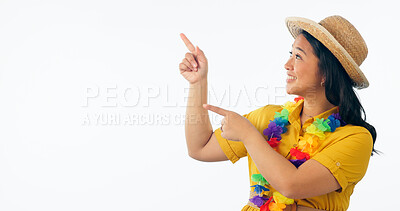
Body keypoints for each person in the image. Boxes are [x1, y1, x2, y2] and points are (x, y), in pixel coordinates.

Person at [178, 15, 377, 211]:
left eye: (298, 56)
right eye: (290, 54)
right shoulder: (269, 118)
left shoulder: (355, 138)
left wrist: (248, 135)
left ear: (326, 72)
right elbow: (200, 148)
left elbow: (292, 185)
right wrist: (198, 83)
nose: (287, 65)